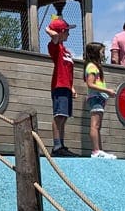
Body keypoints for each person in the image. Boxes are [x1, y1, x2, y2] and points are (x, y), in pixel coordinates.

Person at [44, 18, 78, 157]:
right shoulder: (55, 47)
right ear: (61, 32)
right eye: (67, 31)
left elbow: (68, 70)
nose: (69, 34)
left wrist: (72, 87)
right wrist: (49, 28)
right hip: (59, 85)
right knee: (59, 115)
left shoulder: (65, 50)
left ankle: (62, 145)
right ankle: (57, 146)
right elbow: (54, 36)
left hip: (66, 86)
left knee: (64, 116)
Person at [82, 42, 117, 159]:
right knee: (95, 125)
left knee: (98, 126)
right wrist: (107, 91)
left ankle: (99, 150)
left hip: (99, 98)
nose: (103, 54)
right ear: (95, 53)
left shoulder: (96, 67)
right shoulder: (91, 66)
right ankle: (96, 150)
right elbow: (90, 84)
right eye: (102, 52)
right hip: (96, 97)